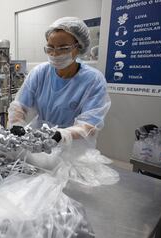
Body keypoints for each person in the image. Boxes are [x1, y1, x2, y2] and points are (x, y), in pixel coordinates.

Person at [8, 17, 111, 147]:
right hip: (40, 143)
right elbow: (19, 106)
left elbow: (89, 125)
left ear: (78, 47)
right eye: (50, 47)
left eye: (63, 48)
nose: (55, 54)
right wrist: (16, 125)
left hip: (74, 147)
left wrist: (62, 136)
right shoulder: (40, 73)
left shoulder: (93, 80)